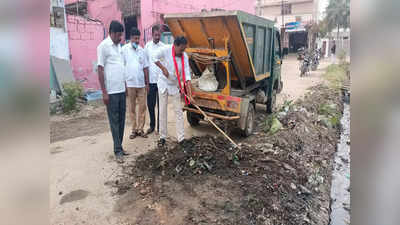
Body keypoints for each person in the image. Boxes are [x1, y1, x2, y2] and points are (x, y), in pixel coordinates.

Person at [153, 36, 195, 148]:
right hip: (163, 83)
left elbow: (187, 76)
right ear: (175, 45)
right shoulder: (166, 49)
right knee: (162, 111)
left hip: (175, 84)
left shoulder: (184, 56)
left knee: (178, 112)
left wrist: (190, 95)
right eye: (181, 49)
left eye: (184, 49)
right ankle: (162, 137)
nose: (183, 52)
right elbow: (154, 57)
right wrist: (163, 68)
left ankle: (181, 138)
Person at [97, 20, 128, 163]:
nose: (120, 38)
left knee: (121, 120)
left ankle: (119, 146)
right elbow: (100, 69)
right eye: (118, 35)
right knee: (114, 121)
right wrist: (104, 92)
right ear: (112, 33)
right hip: (111, 92)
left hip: (121, 89)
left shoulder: (119, 47)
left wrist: (126, 85)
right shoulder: (103, 46)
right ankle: (117, 151)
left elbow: (121, 67)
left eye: (121, 35)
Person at [122, 28, 150, 139]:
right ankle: (134, 130)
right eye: (135, 38)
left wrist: (147, 83)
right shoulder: (124, 50)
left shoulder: (142, 50)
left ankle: (140, 129)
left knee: (143, 107)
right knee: (132, 108)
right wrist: (123, 83)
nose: (137, 40)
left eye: (138, 38)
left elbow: (146, 67)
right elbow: (121, 66)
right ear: (130, 38)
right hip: (130, 84)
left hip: (141, 84)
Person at [144, 25, 165, 135]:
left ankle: (159, 127)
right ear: (152, 35)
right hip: (151, 81)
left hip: (161, 81)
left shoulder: (163, 47)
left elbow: (165, 63)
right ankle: (152, 126)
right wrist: (146, 82)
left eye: (159, 35)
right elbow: (145, 64)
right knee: (151, 105)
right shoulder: (147, 46)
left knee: (161, 105)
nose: (157, 37)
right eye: (155, 35)